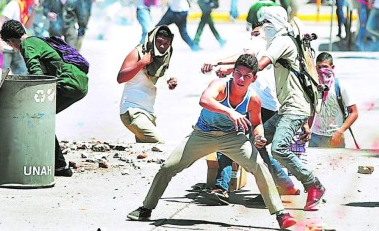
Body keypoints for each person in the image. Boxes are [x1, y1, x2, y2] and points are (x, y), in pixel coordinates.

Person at [126, 54, 297, 230]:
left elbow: (257, 123)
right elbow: (204, 100)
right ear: (233, 72)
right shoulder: (220, 86)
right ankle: (146, 208)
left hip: (233, 138)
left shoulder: (253, 99)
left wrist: (259, 136)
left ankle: (281, 214)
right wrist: (230, 112)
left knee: (260, 166)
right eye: (238, 73)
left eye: (247, 76)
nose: (241, 78)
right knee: (168, 167)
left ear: (254, 78)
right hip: (203, 134)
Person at [200, 22, 300, 205]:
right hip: (269, 104)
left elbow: (247, 60)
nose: (253, 36)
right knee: (256, 148)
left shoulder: (260, 43)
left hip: (257, 104)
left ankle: (221, 188)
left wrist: (221, 64)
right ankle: (285, 184)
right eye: (252, 32)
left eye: (257, 31)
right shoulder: (274, 45)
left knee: (230, 139)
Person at [0, 19, 88, 177]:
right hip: (77, 82)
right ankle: (57, 164)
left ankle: (59, 166)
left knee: (38, 118)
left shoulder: (27, 45)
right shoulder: (38, 40)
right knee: (41, 118)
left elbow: (37, 76)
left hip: (68, 83)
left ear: (11, 41)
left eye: (9, 44)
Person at [258, 6, 325, 211]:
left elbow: (260, 64)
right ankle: (275, 186)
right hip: (288, 108)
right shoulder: (286, 39)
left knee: (278, 148)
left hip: (293, 108)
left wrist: (232, 70)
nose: (264, 27)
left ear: (276, 22)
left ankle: (313, 184)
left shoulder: (282, 41)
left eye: (267, 22)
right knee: (256, 142)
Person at [117, 25, 177, 143]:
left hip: (149, 113)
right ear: (153, 39)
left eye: (166, 43)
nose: (162, 46)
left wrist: (169, 82)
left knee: (145, 152)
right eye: (159, 42)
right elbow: (120, 78)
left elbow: (153, 79)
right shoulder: (138, 52)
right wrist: (141, 63)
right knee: (159, 142)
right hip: (132, 111)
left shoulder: (163, 57)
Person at [309, 52, 358, 148]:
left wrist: (340, 132)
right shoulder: (313, 86)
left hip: (334, 138)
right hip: (315, 137)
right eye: (319, 67)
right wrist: (307, 128)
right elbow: (311, 111)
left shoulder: (340, 86)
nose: (322, 70)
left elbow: (354, 112)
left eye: (325, 67)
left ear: (332, 67)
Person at [0, 0, 38, 74]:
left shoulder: (24, 8)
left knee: (22, 72)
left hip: (17, 46)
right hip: (5, 46)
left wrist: (34, 10)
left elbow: (26, 26)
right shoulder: (13, 5)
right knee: (2, 73)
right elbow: (0, 23)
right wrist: (0, 43)